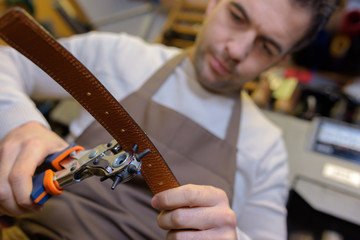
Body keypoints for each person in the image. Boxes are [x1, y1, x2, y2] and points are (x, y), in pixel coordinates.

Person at [0, 0, 337, 239]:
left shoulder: (266, 149)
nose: (236, 50)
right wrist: (20, 122)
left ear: (279, 61)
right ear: (213, 3)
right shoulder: (120, 56)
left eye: (266, 46)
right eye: (237, 15)